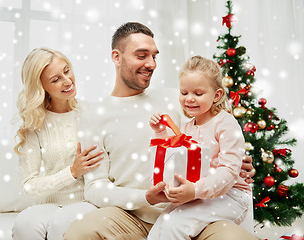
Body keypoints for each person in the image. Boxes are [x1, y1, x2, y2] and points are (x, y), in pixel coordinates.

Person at [63, 22, 256, 240]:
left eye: (154, 56)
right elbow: (95, 188)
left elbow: (212, 137)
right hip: (131, 218)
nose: (151, 64)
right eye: (141, 55)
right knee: (80, 231)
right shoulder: (94, 116)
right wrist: (146, 198)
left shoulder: (180, 98)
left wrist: (239, 162)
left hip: (197, 208)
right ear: (117, 57)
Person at [147, 55, 252, 240]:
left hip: (230, 195)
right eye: (184, 93)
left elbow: (228, 171)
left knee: (175, 226)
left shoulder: (225, 124)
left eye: (198, 93)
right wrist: (161, 132)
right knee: (158, 230)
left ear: (217, 95)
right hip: (199, 194)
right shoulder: (187, 128)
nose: (189, 99)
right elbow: (171, 155)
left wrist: (194, 191)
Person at [12, 47, 103, 240]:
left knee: (60, 223)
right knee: (25, 224)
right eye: (56, 79)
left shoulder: (92, 114)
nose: (68, 81)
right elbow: (28, 186)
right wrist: (72, 172)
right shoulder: (34, 124)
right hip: (50, 203)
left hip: (86, 201)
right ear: (41, 87)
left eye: (67, 70)